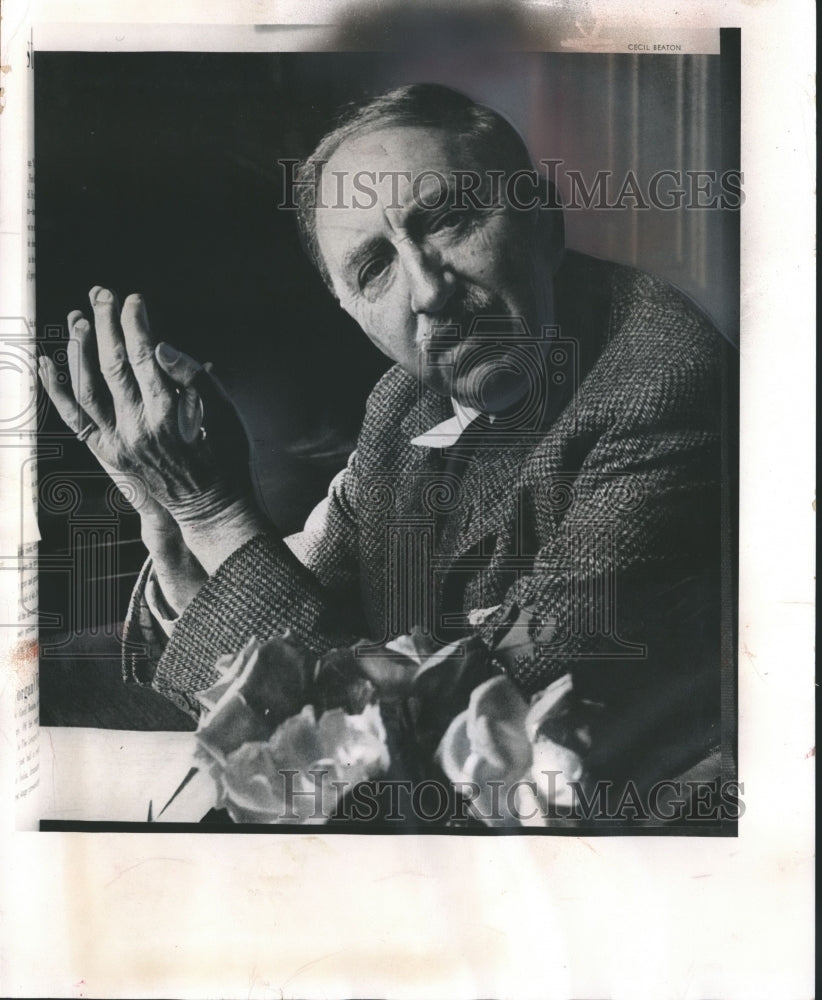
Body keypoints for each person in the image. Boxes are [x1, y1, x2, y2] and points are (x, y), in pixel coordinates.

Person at [40, 84, 731, 789]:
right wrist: (186, 553)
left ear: (543, 222)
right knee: (35, 678)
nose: (428, 291)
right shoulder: (403, 401)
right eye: (376, 267)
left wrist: (213, 514)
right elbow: (322, 630)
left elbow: (422, 746)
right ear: (351, 313)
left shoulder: (665, 389)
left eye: (452, 220)